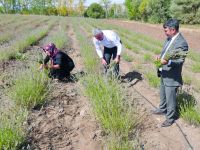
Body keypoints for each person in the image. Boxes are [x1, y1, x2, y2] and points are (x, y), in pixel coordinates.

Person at [152, 19, 188, 127]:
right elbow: (165, 52)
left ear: (173, 30)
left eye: (166, 30)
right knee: (163, 93)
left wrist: (168, 61)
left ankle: (170, 118)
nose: (165, 33)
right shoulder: (169, 39)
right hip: (164, 72)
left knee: (170, 98)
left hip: (172, 75)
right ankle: (162, 109)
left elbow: (179, 61)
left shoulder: (182, 43)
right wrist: (160, 57)